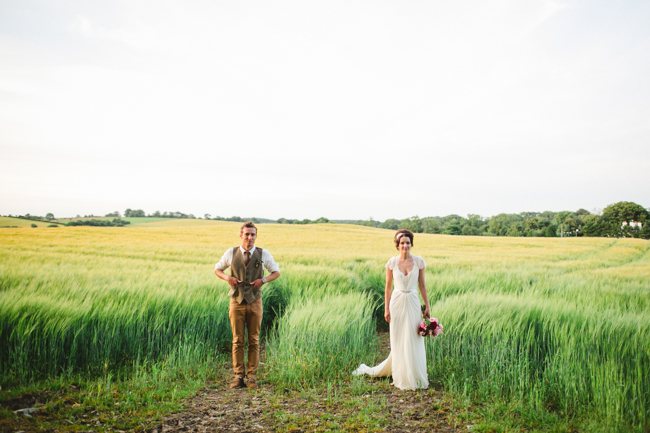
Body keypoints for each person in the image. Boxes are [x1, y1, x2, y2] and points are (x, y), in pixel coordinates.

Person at [352, 229, 431, 389]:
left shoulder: (418, 261)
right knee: (399, 336)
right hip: (397, 302)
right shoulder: (392, 263)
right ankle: (401, 374)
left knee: (414, 337)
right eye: (402, 243)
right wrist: (386, 309)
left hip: (413, 301)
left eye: (408, 243)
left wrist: (427, 305)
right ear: (397, 245)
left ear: (411, 244)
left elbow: (422, 285)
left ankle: (415, 374)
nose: (405, 246)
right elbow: (387, 288)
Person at [214, 221, 281, 389]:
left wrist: (263, 280)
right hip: (236, 301)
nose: (250, 237)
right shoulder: (231, 252)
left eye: (253, 234)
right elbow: (217, 269)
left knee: (254, 340)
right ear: (241, 235)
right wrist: (227, 278)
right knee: (237, 340)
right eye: (247, 234)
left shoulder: (263, 253)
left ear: (256, 236)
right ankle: (238, 377)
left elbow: (276, 272)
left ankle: (251, 377)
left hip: (255, 301)